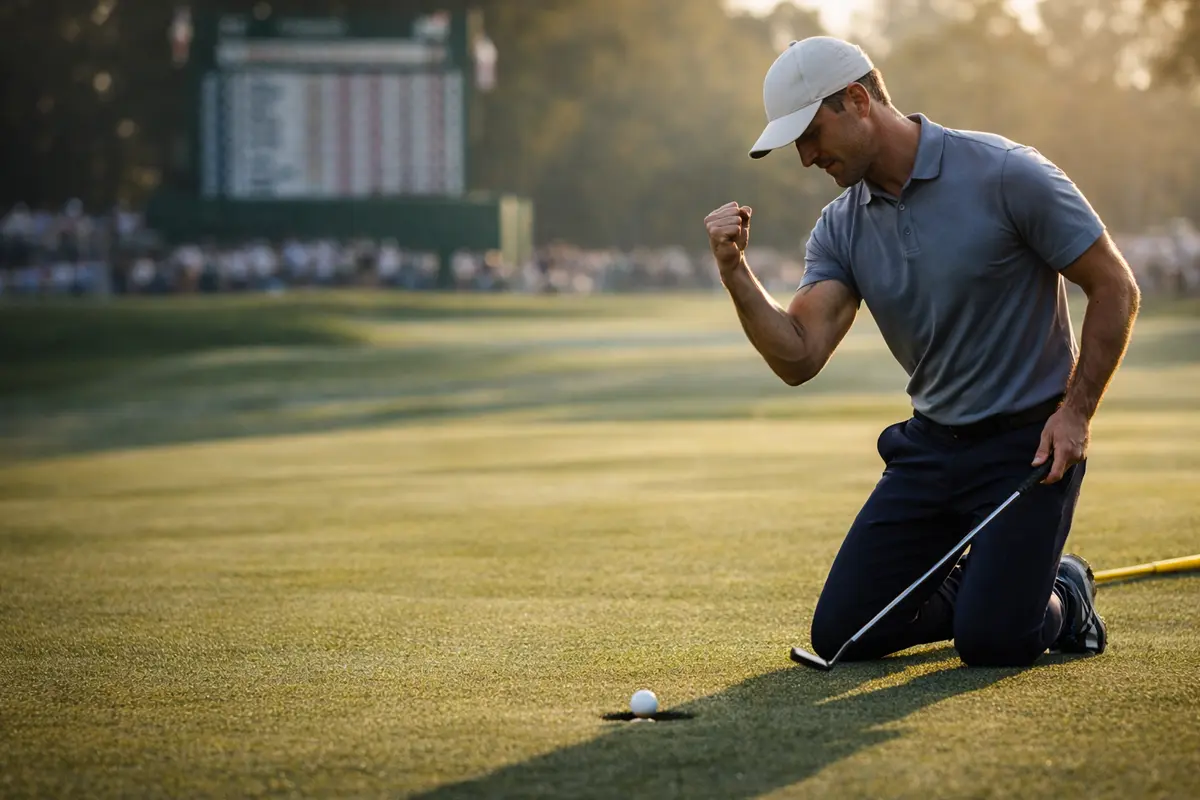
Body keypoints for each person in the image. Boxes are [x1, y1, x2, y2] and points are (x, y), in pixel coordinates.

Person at [704, 36, 1141, 667]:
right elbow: (799, 356)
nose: (804, 157)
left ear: (856, 100)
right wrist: (735, 270)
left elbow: (1114, 287)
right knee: (844, 635)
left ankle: (1065, 592)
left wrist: (1075, 414)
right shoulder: (840, 225)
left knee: (992, 641)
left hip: (1028, 448)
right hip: (931, 449)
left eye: (810, 133)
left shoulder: (1005, 172)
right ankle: (992, 588)